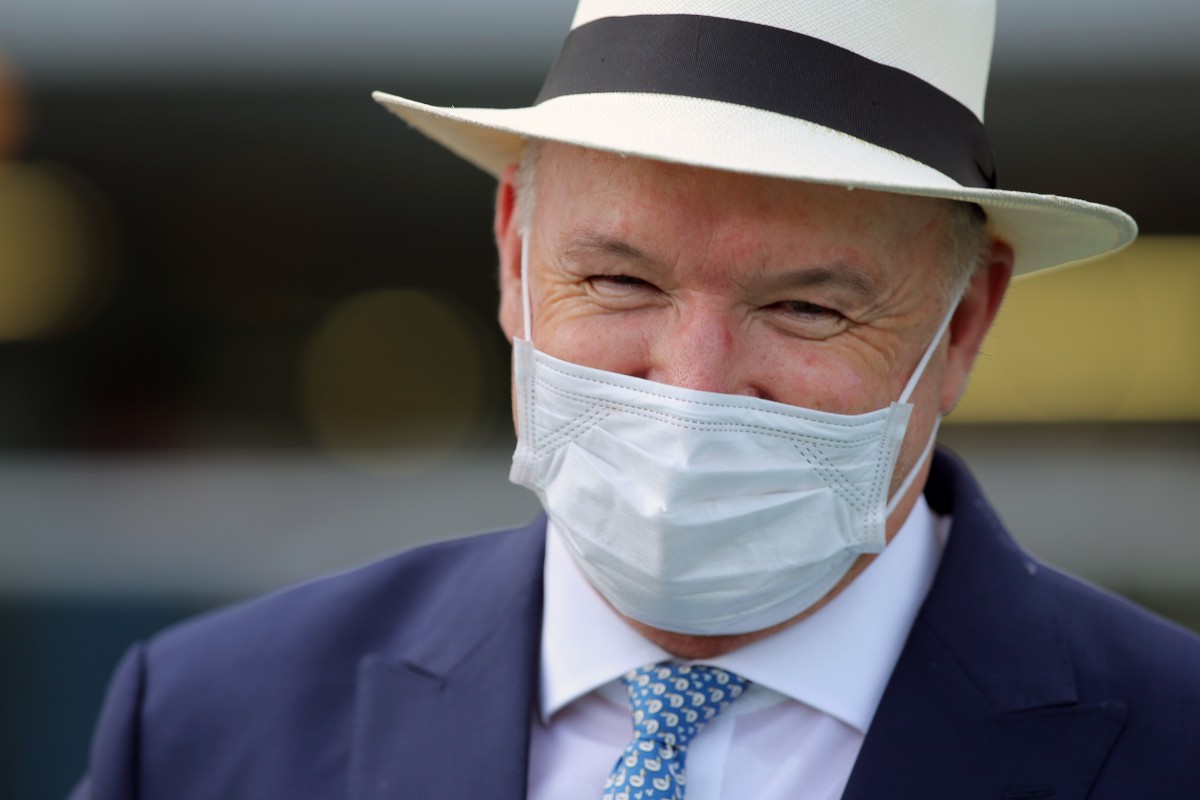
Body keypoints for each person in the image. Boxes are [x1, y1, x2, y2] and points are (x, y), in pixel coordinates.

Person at [72, 1, 1200, 798]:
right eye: (619, 280)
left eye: (808, 308)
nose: (694, 385)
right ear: (516, 250)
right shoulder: (207, 727)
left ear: (963, 323)